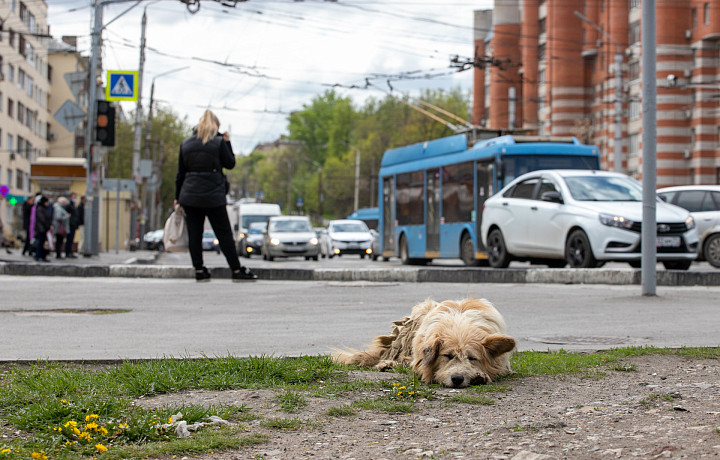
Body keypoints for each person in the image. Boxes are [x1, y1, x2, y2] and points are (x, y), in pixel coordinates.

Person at [175, 109, 257, 282]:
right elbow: (230, 163)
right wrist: (227, 143)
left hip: (189, 195)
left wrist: (177, 197)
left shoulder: (186, 144)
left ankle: (199, 270)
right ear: (216, 127)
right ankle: (236, 270)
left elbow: (180, 174)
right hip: (213, 195)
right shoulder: (218, 143)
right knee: (224, 233)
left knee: (195, 234)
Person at [33, 195, 53, 262]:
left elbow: (48, 217)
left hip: (44, 228)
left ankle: (43, 256)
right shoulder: (40, 208)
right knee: (40, 242)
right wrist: (48, 225)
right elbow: (42, 219)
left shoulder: (44, 208)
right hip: (41, 228)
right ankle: (38, 255)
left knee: (43, 243)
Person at [64, 193, 79, 258]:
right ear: (70, 197)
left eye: (76, 197)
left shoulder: (73, 205)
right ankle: (68, 252)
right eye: (74, 197)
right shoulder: (69, 205)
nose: (75, 198)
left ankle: (70, 252)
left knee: (71, 239)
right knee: (69, 239)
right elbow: (67, 215)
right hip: (70, 225)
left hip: (73, 225)